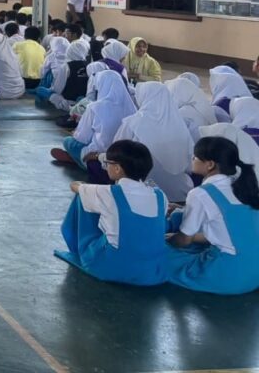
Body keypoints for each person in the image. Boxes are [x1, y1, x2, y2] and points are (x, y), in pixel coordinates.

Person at [54, 140, 167, 286]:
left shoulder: (110, 193)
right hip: (152, 271)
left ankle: (78, 248)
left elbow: (74, 186)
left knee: (82, 197)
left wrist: (86, 187)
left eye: (107, 163)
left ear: (118, 168)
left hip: (114, 267)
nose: (106, 167)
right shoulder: (160, 196)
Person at [166, 136, 259, 295]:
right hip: (254, 275)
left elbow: (183, 240)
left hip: (229, 276)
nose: (192, 160)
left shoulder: (200, 193)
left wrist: (165, 240)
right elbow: (229, 230)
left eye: (195, 157)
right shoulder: (242, 187)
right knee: (195, 248)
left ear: (210, 164)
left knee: (160, 256)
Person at [113, 82, 195, 202]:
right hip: (180, 193)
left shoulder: (133, 123)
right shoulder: (181, 125)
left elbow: (114, 153)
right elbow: (190, 165)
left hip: (143, 193)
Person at [52, 71, 137, 171]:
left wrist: (75, 133)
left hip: (96, 156)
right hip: (123, 159)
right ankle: (76, 159)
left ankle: (77, 160)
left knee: (68, 141)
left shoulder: (95, 107)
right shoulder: (133, 108)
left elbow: (82, 138)